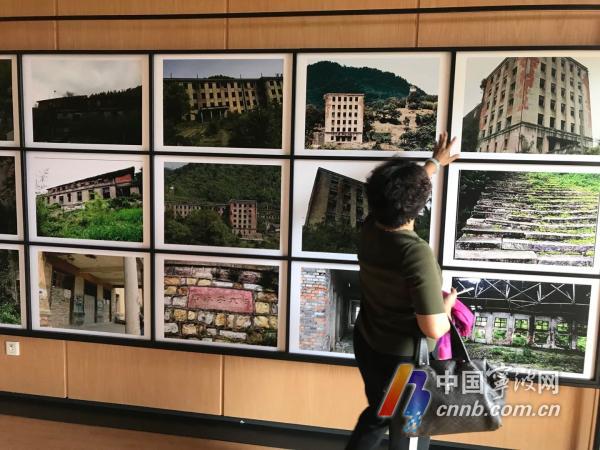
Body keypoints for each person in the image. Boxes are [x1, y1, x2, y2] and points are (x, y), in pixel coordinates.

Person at [345, 132, 460, 450]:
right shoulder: (415, 252)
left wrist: (434, 163)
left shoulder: (370, 226)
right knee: (409, 428)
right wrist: (448, 306)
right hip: (403, 363)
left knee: (380, 412)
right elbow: (433, 327)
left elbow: (396, 195)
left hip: (369, 344)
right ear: (418, 206)